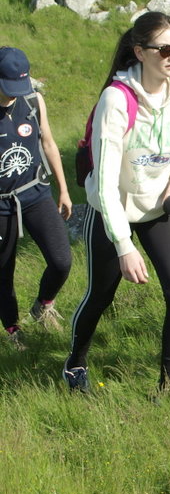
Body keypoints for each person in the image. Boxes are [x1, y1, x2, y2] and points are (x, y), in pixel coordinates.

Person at [63, 12, 170, 394]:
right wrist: (124, 246)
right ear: (139, 52)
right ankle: (75, 364)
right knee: (101, 295)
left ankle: (169, 383)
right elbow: (105, 184)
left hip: (159, 205)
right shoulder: (116, 100)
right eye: (164, 49)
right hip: (112, 210)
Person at [0, 47, 73, 350]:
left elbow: (49, 143)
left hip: (35, 192)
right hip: (1, 203)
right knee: (3, 272)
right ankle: (12, 329)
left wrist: (63, 189)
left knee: (61, 261)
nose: (14, 94)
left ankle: (43, 306)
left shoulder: (33, 101)